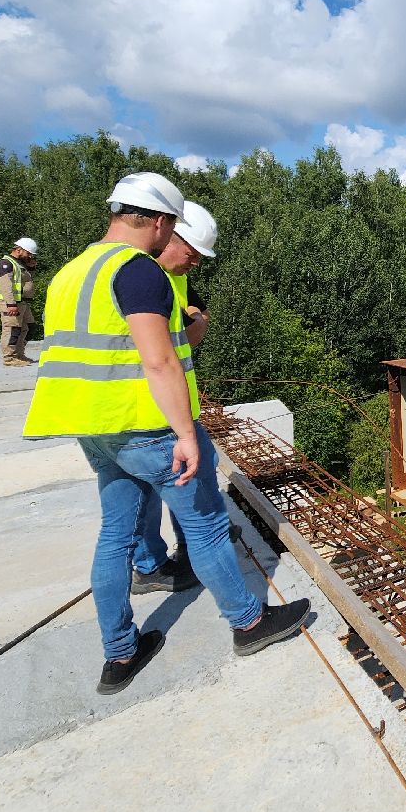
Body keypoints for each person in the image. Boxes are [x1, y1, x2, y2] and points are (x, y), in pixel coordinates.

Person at [24, 172, 308, 694]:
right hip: (147, 425)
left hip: (94, 426)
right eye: (172, 225)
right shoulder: (137, 270)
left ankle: (120, 654)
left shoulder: (71, 270)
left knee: (115, 536)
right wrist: (184, 430)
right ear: (158, 220)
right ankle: (248, 623)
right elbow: (158, 361)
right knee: (204, 527)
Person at [131, 200, 218, 595]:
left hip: (169, 404)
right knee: (151, 494)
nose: (193, 263)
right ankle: (157, 563)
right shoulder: (139, 277)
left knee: (173, 486)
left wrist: (195, 321)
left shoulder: (170, 277)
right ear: (169, 234)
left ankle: (184, 551)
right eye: (192, 254)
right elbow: (165, 351)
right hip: (146, 408)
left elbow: (194, 320)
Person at [0, 238, 39, 366]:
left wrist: (31, 268)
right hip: (10, 303)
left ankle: (19, 354)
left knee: (29, 327)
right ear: (19, 250)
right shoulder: (5, 264)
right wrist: (11, 304)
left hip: (21, 302)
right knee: (12, 329)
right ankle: (9, 358)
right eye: (28, 253)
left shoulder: (18, 264)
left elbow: (24, 282)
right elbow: (6, 286)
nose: (30, 256)